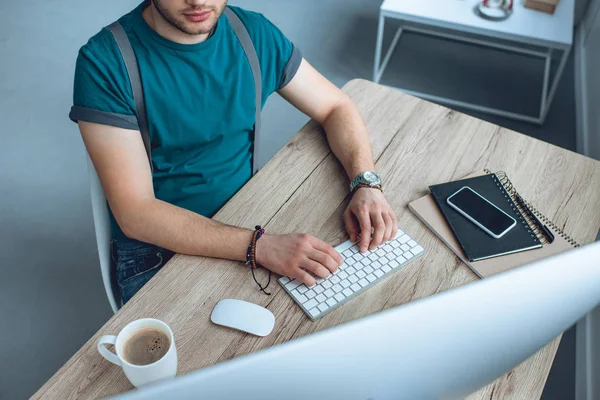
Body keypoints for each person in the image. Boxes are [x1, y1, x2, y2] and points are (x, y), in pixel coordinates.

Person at [71, 0, 398, 304]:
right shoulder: (105, 61)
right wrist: (261, 247)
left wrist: (365, 182)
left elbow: (336, 106)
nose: (198, 1)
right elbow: (136, 214)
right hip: (158, 253)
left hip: (248, 217)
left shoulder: (253, 34)